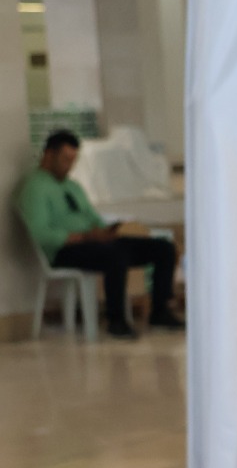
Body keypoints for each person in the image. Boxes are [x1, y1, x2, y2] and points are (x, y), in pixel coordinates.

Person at [14, 129, 185, 339]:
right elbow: (42, 234)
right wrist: (84, 237)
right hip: (65, 250)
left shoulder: (72, 186)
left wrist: (106, 231)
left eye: (73, 161)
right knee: (115, 256)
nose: (69, 166)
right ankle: (117, 320)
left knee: (163, 248)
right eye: (65, 160)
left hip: (94, 242)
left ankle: (160, 311)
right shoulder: (34, 188)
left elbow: (92, 217)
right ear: (49, 155)